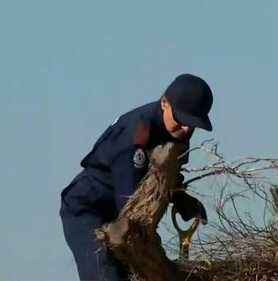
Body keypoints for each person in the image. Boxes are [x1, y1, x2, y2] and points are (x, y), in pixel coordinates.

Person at [59, 73, 214, 281]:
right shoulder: (136, 134)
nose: (186, 128)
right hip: (88, 207)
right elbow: (131, 204)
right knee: (107, 272)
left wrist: (179, 197)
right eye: (182, 119)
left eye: (192, 123)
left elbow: (164, 177)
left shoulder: (179, 135)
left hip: (120, 212)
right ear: (164, 103)